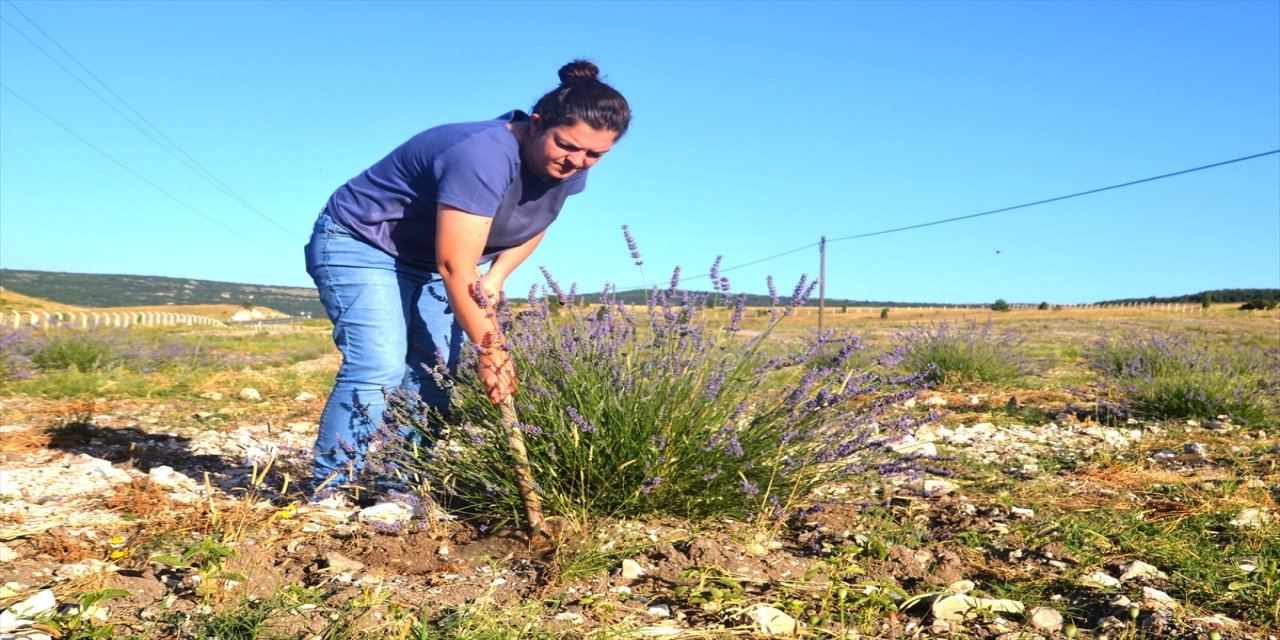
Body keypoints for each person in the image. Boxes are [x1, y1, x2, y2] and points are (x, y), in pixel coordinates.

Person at [303, 59, 631, 500]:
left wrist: (497, 275)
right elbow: (456, 266)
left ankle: (400, 490)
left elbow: (536, 221)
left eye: (595, 155)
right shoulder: (480, 155)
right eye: (568, 146)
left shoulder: (571, 164)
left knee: (433, 371)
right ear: (537, 124)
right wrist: (492, 349)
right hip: (363, 243)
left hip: (442, 257)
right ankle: (330, 491)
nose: (577, 162)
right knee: (379, 364)